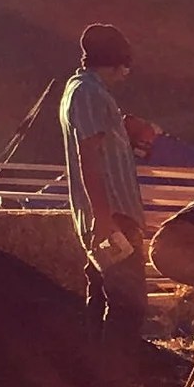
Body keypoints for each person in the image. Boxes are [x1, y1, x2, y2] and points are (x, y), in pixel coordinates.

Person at [59, 23, 150, 340]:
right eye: (125, 64)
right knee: (130, 305)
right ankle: (116, 378)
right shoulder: (90, 93)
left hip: (106, 214)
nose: (126, 73)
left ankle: (93, 376)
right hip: (112, 215)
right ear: (116, 62)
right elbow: (90, 155)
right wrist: (103, 217)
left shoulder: (81, 91)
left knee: (100, 298)